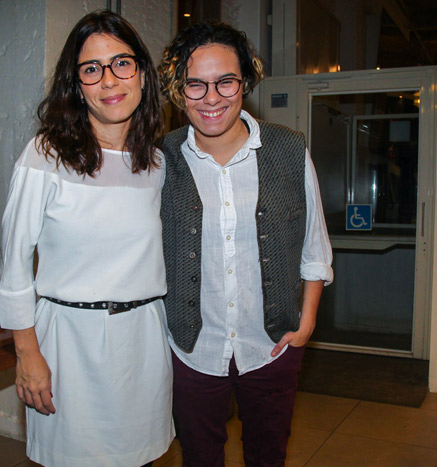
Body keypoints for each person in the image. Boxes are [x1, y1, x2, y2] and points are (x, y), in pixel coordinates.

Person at [0, 11, 174, 467]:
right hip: (68, 345)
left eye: (121, 63)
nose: (109, 80)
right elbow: (15, 262)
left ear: (141, 73)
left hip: (143, 343)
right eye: (92, 69)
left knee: (142, 459)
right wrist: (26, 353)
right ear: (76, 84)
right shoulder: (46, 155)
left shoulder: (155, 163)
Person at [158, 21, 333, 466]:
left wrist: (306, 322)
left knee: (268, 455)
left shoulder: (288, 150)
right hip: (191, 347)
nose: (211, 97)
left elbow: (314, 248)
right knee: (198, 457)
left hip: (271, 345)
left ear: (245, 82)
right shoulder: (160, 159)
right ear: (179, 90)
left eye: (225, 81)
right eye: (195, 84)